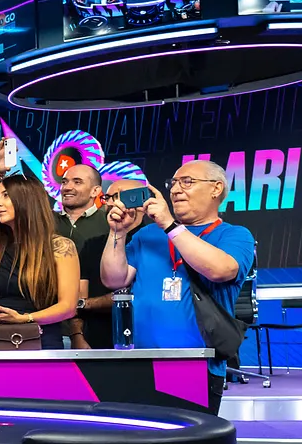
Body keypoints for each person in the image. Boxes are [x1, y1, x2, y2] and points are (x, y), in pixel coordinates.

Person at [100, 160, 255, 415]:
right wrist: (117, 233)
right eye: (173, 183)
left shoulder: (235, 235)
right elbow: (113, 279)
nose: (175, 190)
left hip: (196, 363)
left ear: (216, 189)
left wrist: (170, 225)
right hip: (139, 361)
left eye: (187, 182)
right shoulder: (147, 235)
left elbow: (221, 270)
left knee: (187, 439)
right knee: (139, 437)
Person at [0, 175, 79, 350]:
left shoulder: (60, 247)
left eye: (5, 195)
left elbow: (68, 307)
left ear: (27, 200)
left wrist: (24, 318)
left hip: (42, 344)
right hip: (0, 342)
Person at [52, 163, 112, 348]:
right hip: (49, 328)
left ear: (96, 191)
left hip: (95, 332)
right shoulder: (44, 221)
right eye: (64, 182)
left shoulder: (111, 223)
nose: (67, 187)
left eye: (77, 182)